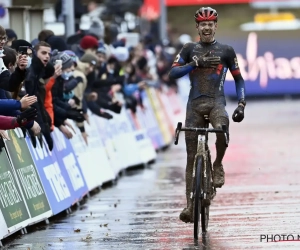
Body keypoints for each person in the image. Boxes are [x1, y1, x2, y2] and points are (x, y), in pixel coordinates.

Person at [168, 7, 246, 223]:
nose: (207, 27)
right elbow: (172, 72)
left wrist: (241, 104)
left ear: (215, 26)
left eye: (210, 24)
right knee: (191, 157)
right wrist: (195, 63)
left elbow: (239, 79)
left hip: (216, 103)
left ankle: (218, 163)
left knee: (222, 127)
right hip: (194, 105)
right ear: (198, 27)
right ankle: (190, 206)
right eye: (203, 24)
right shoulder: (188, 48)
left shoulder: (226, 51)